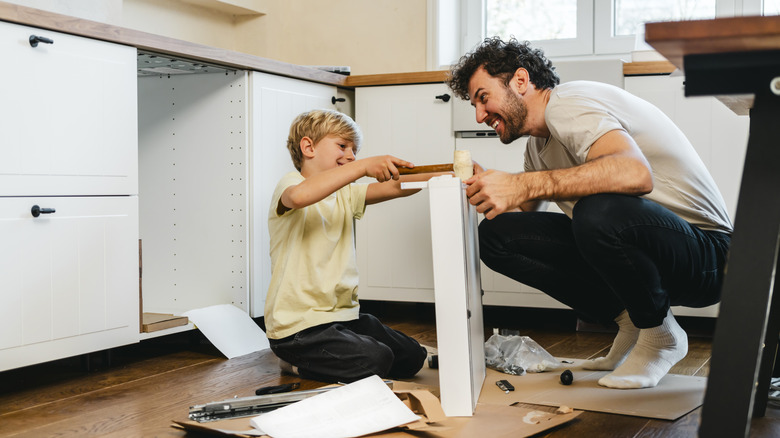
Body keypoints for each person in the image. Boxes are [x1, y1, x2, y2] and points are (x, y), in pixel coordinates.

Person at [447, 37, 732, 389]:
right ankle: (632, 321)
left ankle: (661, 336)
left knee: (596, 210)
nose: (479, 115)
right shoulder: (539, 145)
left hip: (710, 258)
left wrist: (523, 185)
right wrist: (492, 182)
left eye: (483, 97)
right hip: (653, 255)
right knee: (496, 236)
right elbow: (526, 215)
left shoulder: (568, 103)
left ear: (520, 81)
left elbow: (633, 174)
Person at [264, 108, 430, 384]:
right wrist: (363, 167)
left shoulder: (345, 194)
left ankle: (333, 355)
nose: (352, 156)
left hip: (343, 317)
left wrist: (450, 174)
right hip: (298, 329)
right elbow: (301, 196)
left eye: (354, 150)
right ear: (308, 147)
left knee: (413, 357)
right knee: (377, 360)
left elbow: (396, 187)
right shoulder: (292, 183)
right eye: (342, 146)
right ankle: (295, 363)